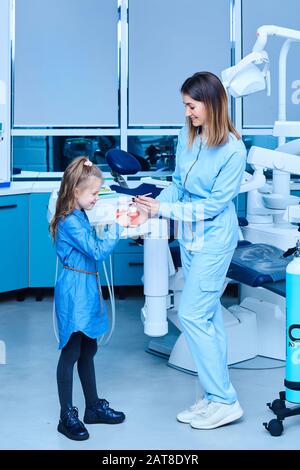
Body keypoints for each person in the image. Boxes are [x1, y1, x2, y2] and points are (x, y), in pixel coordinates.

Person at [134, 71, 246, 430]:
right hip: (191, 236)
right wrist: (151, 203)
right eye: (184, 106)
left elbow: (213, 205)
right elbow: (179, 185)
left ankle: (225, 400)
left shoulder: (232, 149)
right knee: (209, 316)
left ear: (211, 104)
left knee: (192, 314)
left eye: (191, 106)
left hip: (215, 238)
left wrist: (163, 211)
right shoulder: (188, 136)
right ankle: (212, 397)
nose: (187, 113)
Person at [50, 156, 134, 441]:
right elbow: (96, 251)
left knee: (89, 350)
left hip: (85, 286)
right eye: (94, 193)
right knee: (72, 351)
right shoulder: (68, 221)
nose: (97, 198)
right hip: (75, 290)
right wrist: (119, 224)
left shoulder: (79, 214)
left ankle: (93, 408)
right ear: (75, 192)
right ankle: (66, 415)